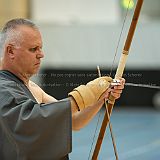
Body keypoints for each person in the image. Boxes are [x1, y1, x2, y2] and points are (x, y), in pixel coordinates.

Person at [0, 18, 125, 160]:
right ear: (10, 51)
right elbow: (32, 119)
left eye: (40, 48)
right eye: (33, 49)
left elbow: (75, 121)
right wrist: (87, 93)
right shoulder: (3, 88)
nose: (41, 54)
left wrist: (102, 96)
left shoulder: (32, 88)